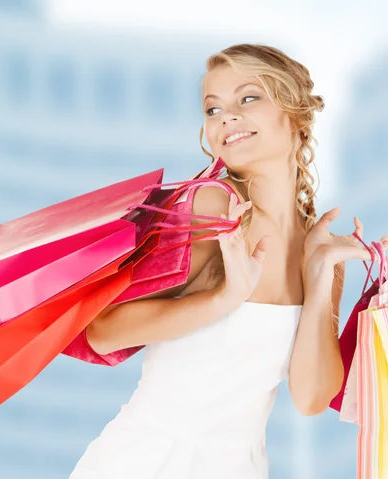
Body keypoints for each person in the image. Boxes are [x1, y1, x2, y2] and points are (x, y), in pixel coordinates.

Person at [69, 44, 388, 479]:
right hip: (146, 461)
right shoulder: (214, 207)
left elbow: (311, 398)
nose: (226, 118)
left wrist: (317, 282)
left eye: (248, 98)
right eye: (212, 109)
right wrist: (226, 297)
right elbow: (104, 332)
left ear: (293, 115)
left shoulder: (320, 251)